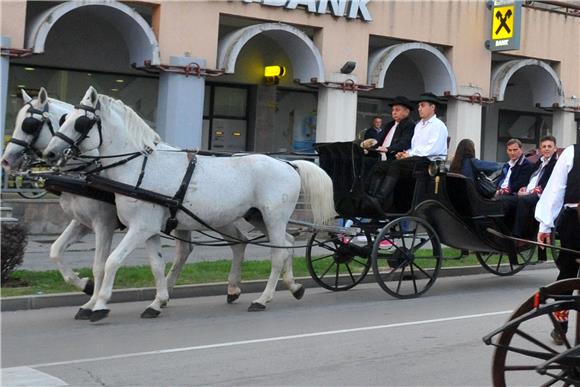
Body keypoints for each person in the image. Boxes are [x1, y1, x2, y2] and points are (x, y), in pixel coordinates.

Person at [534, 144, 580, 345]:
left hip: (574, 219)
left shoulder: (572, 152)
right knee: (568, 272)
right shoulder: (571, 153)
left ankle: (560, 327)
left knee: (568, 272)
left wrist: (545, 226)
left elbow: (556, 189)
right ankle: (560, 325)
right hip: (575, 219)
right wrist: (545, 224)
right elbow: (556, 189)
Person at [396, 92, 448, 160]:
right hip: (416, 159)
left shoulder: (438, 125)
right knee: (389, 164)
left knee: (396, 166)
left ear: (432, 107)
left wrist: (410, 154)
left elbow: (432, 150)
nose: (419, 109)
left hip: (430, 162)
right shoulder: (418, 125)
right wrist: (405, 153)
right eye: (419, 106)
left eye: (422, 106)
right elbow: (415, 147)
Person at [374, 96, 415, 161]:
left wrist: (388, 149)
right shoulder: (389, 125)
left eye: (397, 110)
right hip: (381, 156)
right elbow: (380, 140)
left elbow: (405, 143)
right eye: (393, 110)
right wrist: (370, 148)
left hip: (396, 159)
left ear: (407, 112)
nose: (394, 112)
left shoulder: (409, 124)